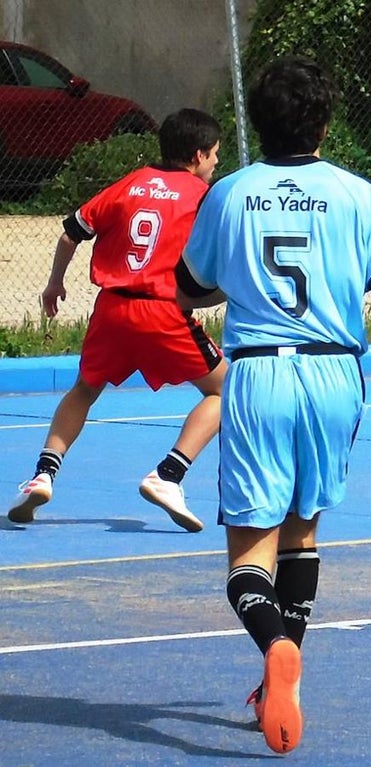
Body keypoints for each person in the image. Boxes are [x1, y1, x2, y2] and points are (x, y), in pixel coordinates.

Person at [176, 56, 371, 755]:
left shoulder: (230, 192)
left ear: (256, 123)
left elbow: (190, 290)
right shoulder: (358, 195)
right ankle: (282, 677)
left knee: (248, 556)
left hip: (260, 375)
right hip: (337, 376)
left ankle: (275, 646)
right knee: (304, 528)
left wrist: (237, 283)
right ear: (326, 124)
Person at [6, 108, 226, 532]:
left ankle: (43, 475)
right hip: (161, 310)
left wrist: (55, 285)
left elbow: (72, 230)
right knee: (229, 392)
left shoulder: (131, 183)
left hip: (111, 307)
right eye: (215, 155)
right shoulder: (202, 198)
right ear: (198, 155)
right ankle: (169, 475)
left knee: (85, 390)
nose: (217, 163)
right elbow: (206, 272)